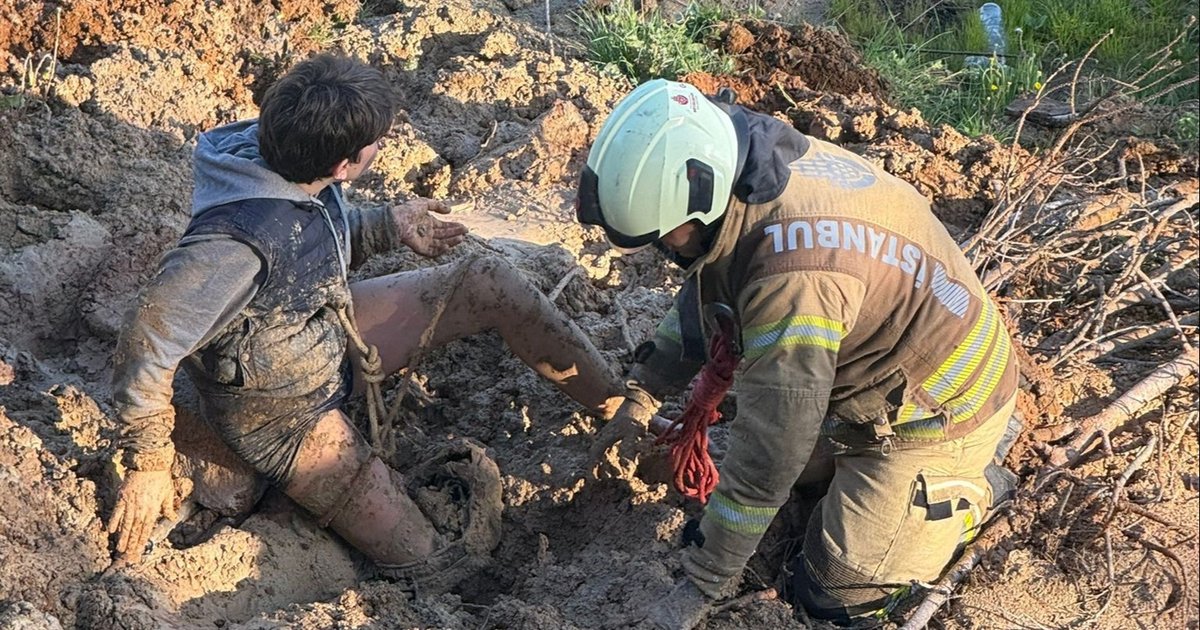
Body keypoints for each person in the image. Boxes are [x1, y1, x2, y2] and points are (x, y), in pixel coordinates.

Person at [107, 53, 625, 586]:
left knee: (487, 282)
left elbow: (304, 231)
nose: (381, 147)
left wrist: (383, 226)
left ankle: (624, 409)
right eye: (375, 142)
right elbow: (147, 342)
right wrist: (147, 462)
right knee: (434, 562)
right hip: (277, 414)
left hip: (317, 330)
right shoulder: (229, 246)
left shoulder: (284, 156)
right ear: (341, 166)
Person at [578, 79, 1021, 628]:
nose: (664, 248)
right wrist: (645, 387)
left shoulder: (794, 277)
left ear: (702, 193)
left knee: (836, 594)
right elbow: (708, 286)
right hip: (866, 381)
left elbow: (771, 456)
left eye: (666, 236)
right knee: (760, 465)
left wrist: (703, 582)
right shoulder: (746, 159)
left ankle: (973, 489)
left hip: (939, 411)